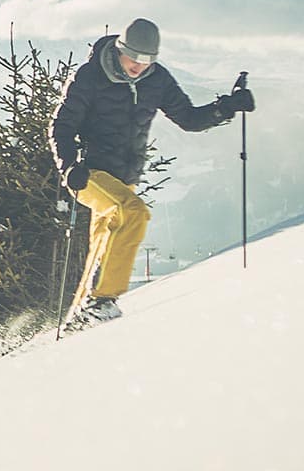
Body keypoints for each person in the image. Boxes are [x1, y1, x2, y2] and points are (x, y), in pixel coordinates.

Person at [49, 18, 255, 326]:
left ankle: (78, 319)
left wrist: (225, 108)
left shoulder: (157, 80)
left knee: (102, 246)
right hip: (89, 173)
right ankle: (103, 301)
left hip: (125, 177)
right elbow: (61, 126)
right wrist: (68, 167)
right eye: (134, 58)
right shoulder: (89, 77)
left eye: (147, 60)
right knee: (134, 213)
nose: (139, 66)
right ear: (120, 50)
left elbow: (187, 118)